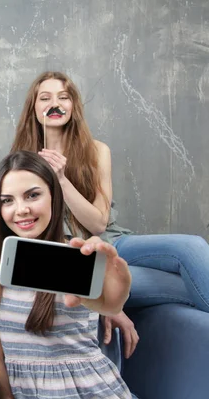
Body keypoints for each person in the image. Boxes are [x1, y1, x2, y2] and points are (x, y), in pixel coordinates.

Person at [12, 70, 209, 354]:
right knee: (183, 287)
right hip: (75, 258)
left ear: (73, 105)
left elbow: (98, 222)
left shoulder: (96, 150)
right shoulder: (21, 161)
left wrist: (62, 179)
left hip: (113, 241)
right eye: (45, 97)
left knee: (191, 247)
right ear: (34, 107)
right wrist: (108, 304)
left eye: (63, 97)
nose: (55, 104)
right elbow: (28, 231)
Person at [0, 151, 134, 399]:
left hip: (88, 389)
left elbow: (106, 303)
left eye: (33, 195)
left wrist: (114, 301)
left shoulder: (80, 253)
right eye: (7, 200)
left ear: (54, 196)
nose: (21, 209)